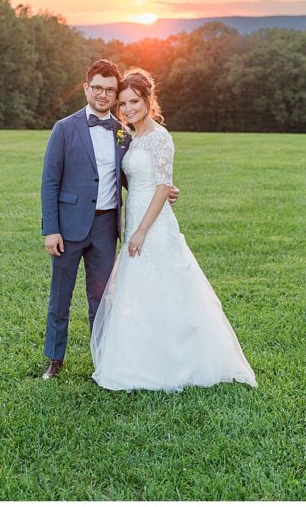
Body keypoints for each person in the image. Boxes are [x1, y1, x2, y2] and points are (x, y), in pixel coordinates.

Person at [90, 68, 257, 392]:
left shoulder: (159, 137)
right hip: (136, 215)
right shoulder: (131, 136)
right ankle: (137, 357)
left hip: (153, 225)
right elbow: (141, 179)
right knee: (136, 288)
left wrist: (140, 231)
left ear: (148, 100)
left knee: (165, 286)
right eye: (123, 103)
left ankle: (174, 359)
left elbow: (161, 185)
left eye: (134, 101)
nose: (127, 109)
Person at [39, 59, 178, 380]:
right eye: (97, 88)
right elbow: (50, 182)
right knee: (60, 296)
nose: (103, 95)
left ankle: (103, 357)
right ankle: (54, 360)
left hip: (106, 228)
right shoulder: (64, 128)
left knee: (101, 298)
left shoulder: (121, 131)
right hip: (69, 228)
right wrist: (51, 229)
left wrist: (167, 188)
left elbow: (131, 173)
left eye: (110, 90)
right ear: (86, 88)